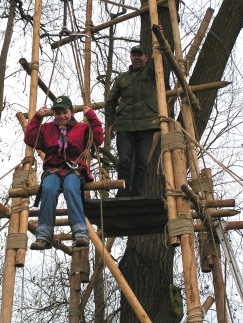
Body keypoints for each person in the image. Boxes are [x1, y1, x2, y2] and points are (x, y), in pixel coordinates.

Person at [24, 95, 104, 250]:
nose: (61, 116)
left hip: (73, 170)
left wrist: (92, 117)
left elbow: (98, 139)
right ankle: (43, 235)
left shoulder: (81, 128)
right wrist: (37, 118)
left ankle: (80, 232)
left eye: (65, 113)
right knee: (48, 189)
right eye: (58, 113)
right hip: (53, 170)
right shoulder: (47, 129)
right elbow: (30, 139)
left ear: (72, 112)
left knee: (71, 188)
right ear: (53, 114)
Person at [105, 45, 160, 197]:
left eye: (140, 55)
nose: (136, 58)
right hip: (124, 124)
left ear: (145, 58)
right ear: (130, 57)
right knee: (124, 160)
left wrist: (159, 43)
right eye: (134, 55)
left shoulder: (152, 73)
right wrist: (110, 122)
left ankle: (137, 194)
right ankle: (123, 192)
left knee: (142, 162)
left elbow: (159, 60)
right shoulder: (123, 78)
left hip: (146, 124)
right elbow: (110, 101)